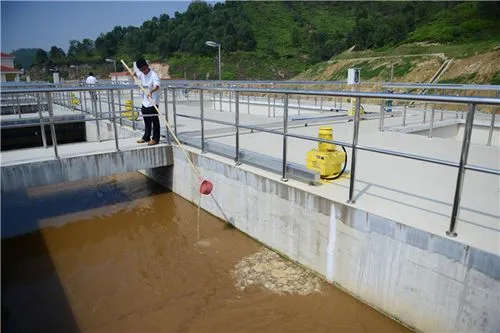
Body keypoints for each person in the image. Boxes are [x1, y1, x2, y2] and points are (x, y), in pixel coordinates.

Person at [133, 58, 160, 146]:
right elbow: (136, 77)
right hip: (145, 102)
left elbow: (157, 86)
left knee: (154, 121)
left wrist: (151, 92)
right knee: (146, 120)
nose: (144, 71)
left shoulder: (153, 74)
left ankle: (155, 139)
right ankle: (146, 137)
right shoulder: (141, 74)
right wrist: (134, 76)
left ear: (147, 66)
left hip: (153, 102)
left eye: (144, 69)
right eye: (141, 70)